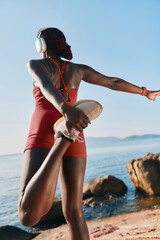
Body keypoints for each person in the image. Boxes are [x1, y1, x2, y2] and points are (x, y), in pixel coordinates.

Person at [18, 27, 160, 240]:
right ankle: (65, 138)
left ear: (42, 44)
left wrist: (65, 110)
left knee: (27, 215)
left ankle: (60, 141)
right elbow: (113, 82)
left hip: (49, 123)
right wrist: (144, 92)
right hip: (77, 127)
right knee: (75, 213)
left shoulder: (36, 64)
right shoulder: (78, 69)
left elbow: (46, 85)